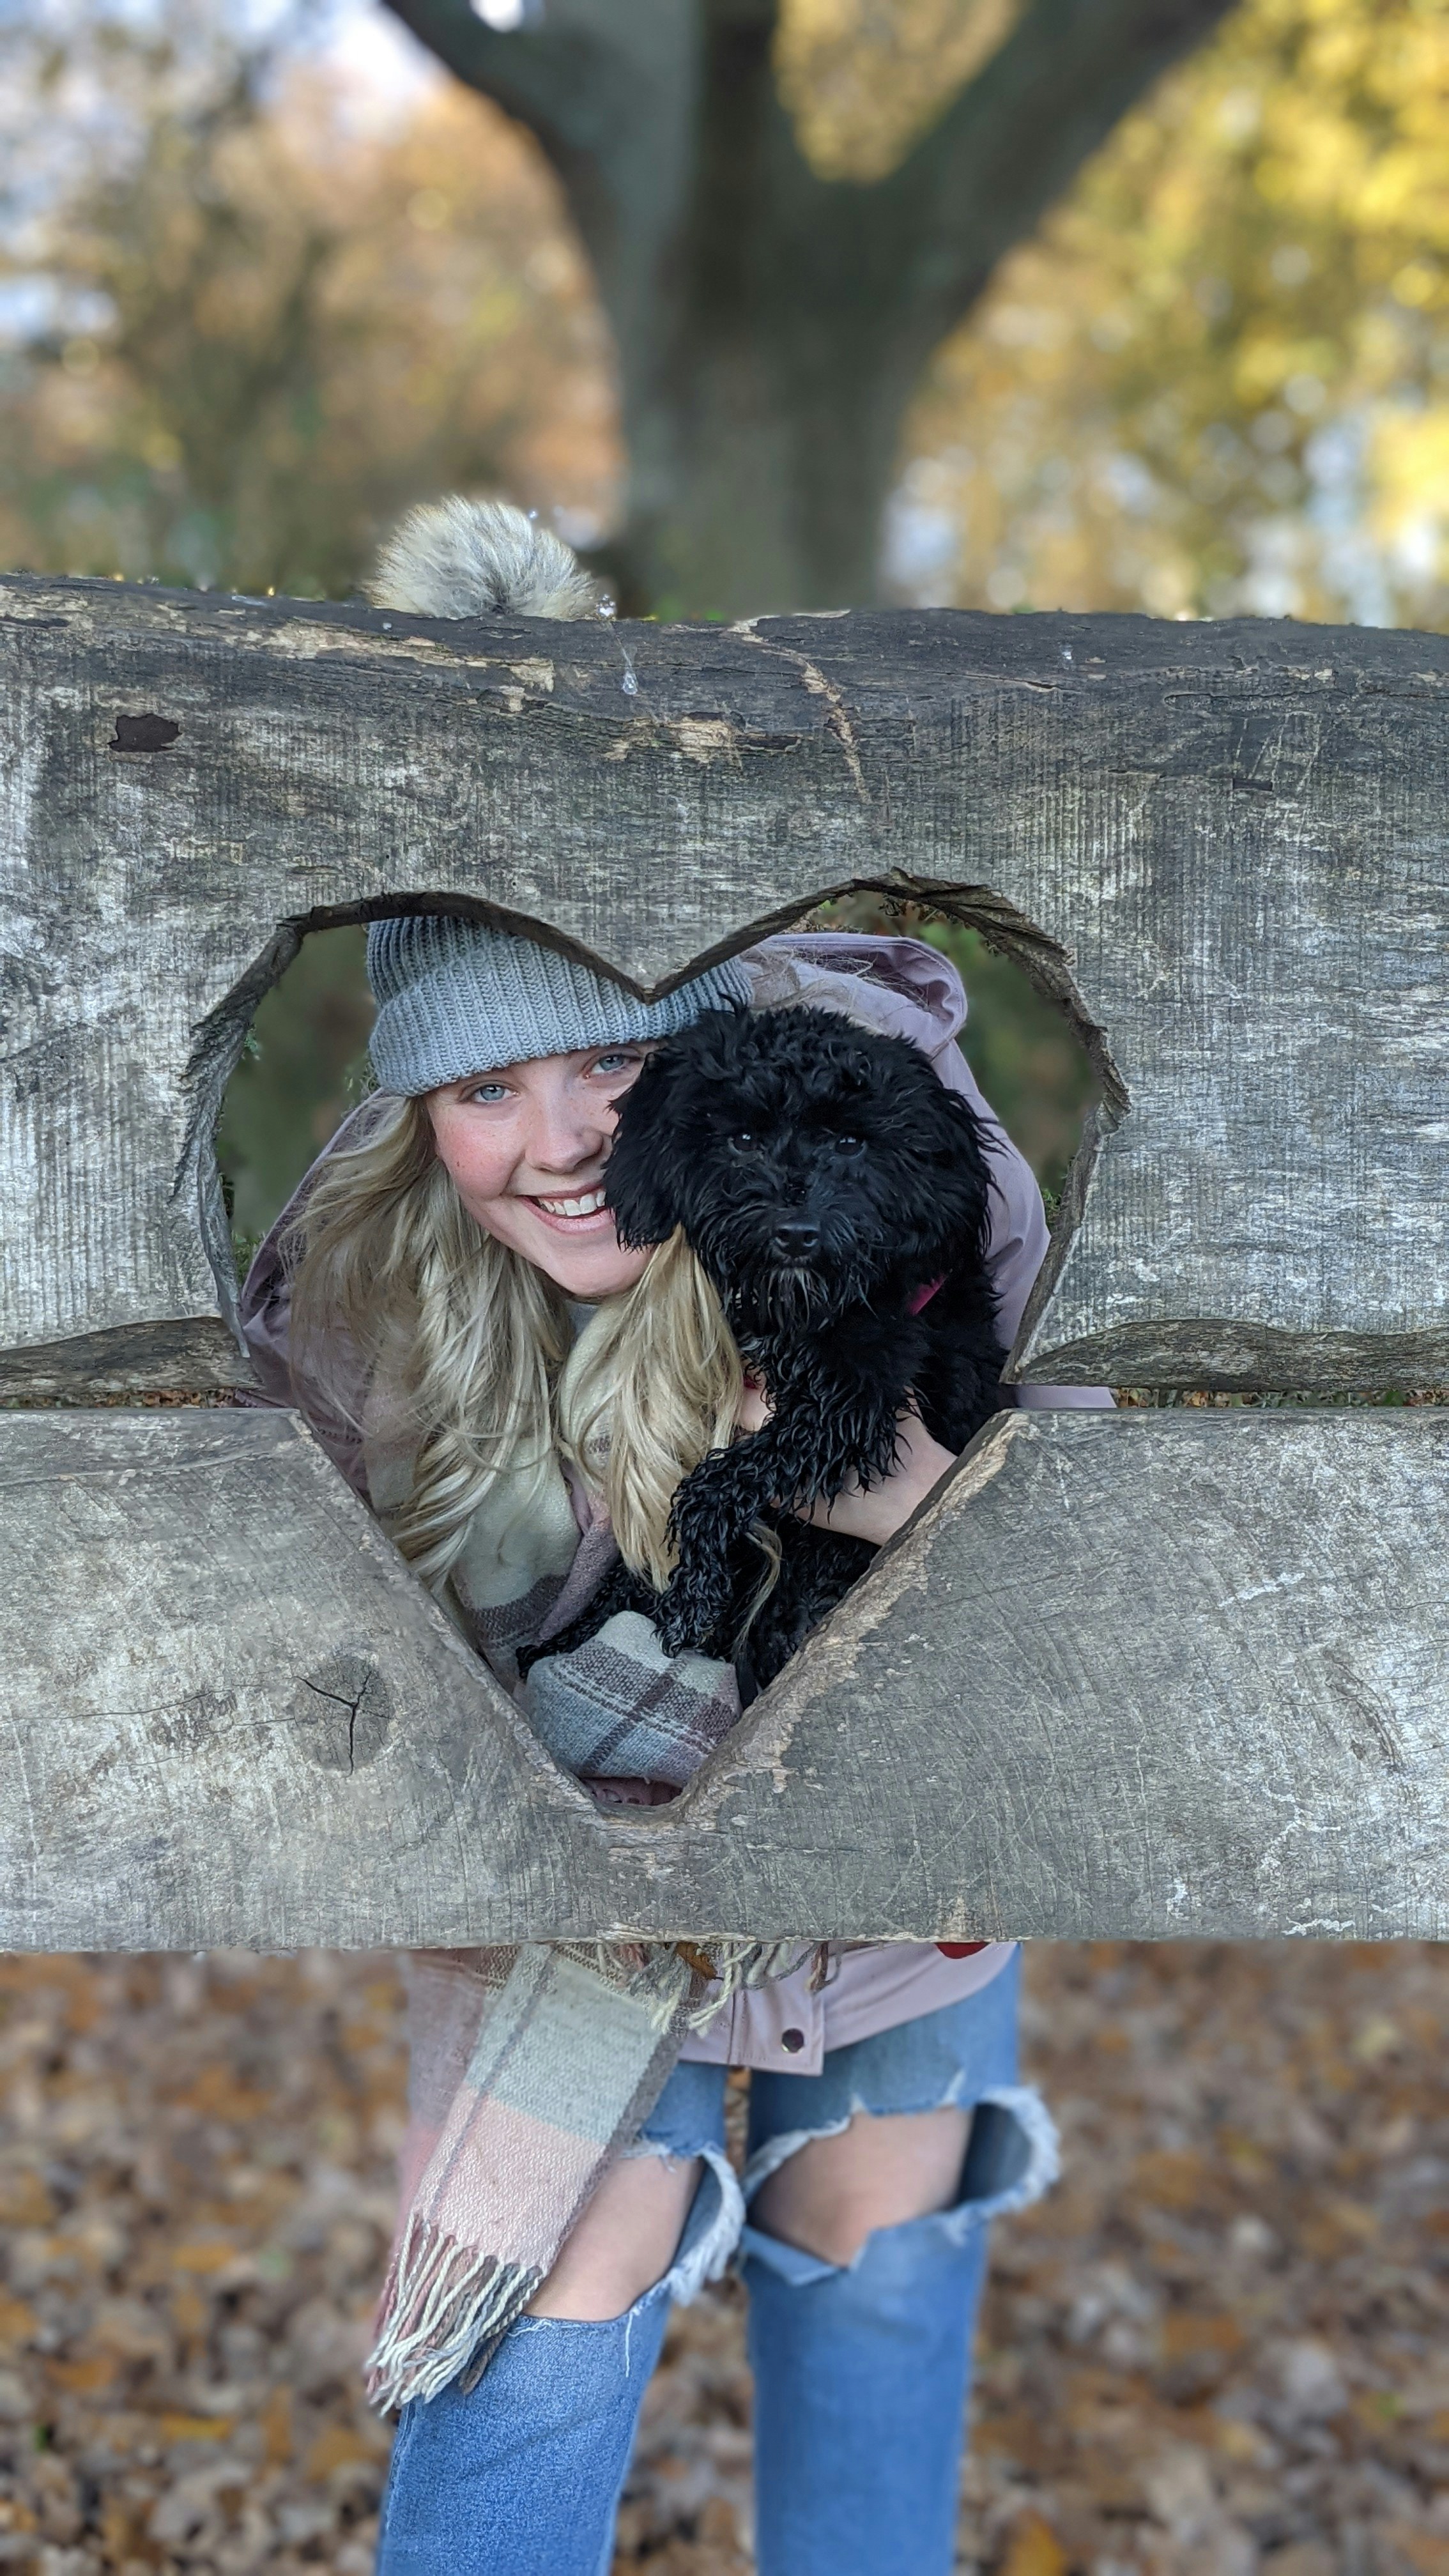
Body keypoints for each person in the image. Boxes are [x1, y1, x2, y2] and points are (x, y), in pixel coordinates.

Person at [238, 503, 1110, 2576]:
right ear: (410, 1113)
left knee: (869, 2226)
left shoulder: (891, 1143)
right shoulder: (367, 1283)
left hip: (897, 1798)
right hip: (556, 1836)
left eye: (608, 1061)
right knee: (557, 2256)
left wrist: (851, 1477)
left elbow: (1050, 1534)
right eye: (481, 1091)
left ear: (695, 1038)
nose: (558, 1149)